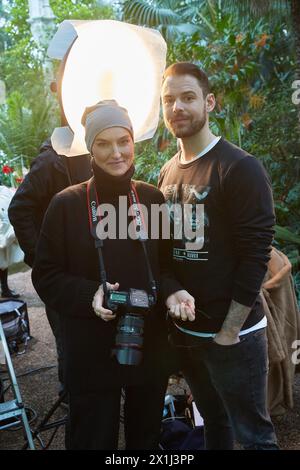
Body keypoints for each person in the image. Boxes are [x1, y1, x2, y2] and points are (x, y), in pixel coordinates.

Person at [31, 99, 191, 450]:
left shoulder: (151, 199)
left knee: (145, 440)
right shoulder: (66, 204)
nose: (116, 152)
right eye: (103, 143)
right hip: (89, 349)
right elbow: (45, 276)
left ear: (134, 142)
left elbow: (165, 267)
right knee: (92, 439)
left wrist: (173, 291)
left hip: (147, 344)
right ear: (90, 148)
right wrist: (90, 294)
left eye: (124, 140)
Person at [158, 62, 279, 450]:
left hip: (234, 336)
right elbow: (165, 253)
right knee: (214, 426)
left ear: (209, 102)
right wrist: (172, 291)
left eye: (188, 97)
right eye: (169, 99)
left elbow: (255, 254)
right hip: (189, 336)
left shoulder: (239, 168)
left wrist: (228, 331)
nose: (177, 107)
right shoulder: (167, 172)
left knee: (255, 436)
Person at [8, 140, 92, 396]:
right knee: (67, 337)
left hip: (89, 268)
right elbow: (19, 208)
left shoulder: (95, 153)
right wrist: (41, 257)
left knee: (90, 335)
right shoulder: (50, 162)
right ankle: (71, 394)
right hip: (59, 272)